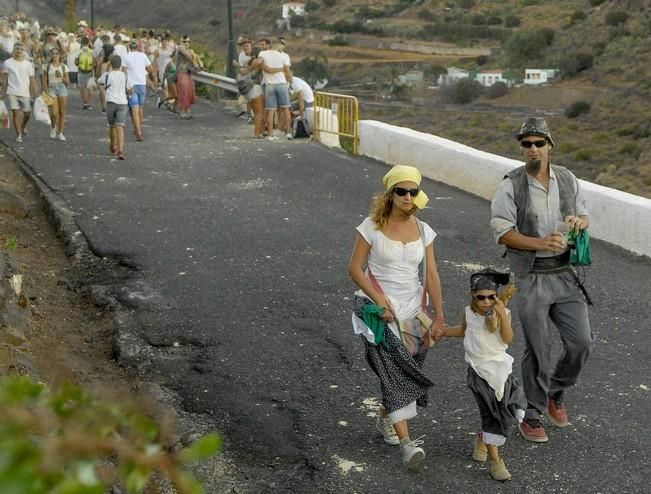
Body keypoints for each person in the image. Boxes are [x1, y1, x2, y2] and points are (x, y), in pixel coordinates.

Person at [490, 117, 594, 443]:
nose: (533, 149)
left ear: (550, 145)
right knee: (538, 348)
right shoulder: (511, 185)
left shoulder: (567, 178)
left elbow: (584, 215)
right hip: (532, 276)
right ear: (521, 148)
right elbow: (503, 233)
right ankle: (532, 413)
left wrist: (579, 221)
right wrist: (539, 243)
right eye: (527, 144)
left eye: (539, 143)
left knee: (581, 343)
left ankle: (556, 391)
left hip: (565, 274)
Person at [348, 165, 445, 471]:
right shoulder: (371, 227)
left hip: (413, 309)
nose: (407, 197)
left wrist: (439, 316)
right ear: (390, 194)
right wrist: (380, 301)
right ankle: (408, 445)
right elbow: (354, 269)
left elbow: (431, 274)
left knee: (410, 366)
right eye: (401, 191)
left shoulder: (424, 230)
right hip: (378, 309)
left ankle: (387, 415)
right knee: (395, 370)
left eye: (412, 192)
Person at [442, 269, 526, 482]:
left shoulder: (503, 313)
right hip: (478, 372)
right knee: (491, 414)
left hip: (500, 370)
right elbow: (463, 330)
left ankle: (483, 438)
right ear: (472, 295)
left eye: (491, 296)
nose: (486, 301)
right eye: (481, 297)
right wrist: (441, 331)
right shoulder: (468, 313)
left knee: (504, 412)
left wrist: (502, 314)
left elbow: (507, 339)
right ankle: (496, 462)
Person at [0, 43, 36, 143]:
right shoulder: (7, 63)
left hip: (24, 92)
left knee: (27, 114)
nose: (19, 51)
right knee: (15, 113)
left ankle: (23, 126)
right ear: (13, 50)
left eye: (21, 49)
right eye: (17, 49)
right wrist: (2, 93)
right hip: (12, 91)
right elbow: (5, 79)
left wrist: (33, 94)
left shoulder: (28, 64)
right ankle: (18, 135)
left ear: (23, 51)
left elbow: (32, 79)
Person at [258, 39, 291, 140]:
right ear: (279, 46)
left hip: (270, 85)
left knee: (271, 111)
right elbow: (287, 72)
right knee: (286, 109)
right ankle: (288, 133)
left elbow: (259, 62)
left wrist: (266, 68)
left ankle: (270, 135)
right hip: (281, 84)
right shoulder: (283, 56)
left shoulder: (263, 53)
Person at [97, 54, 128, 160]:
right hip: (122, 103)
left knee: (112, 126)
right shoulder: (125, 75)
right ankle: (121, 150)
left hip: (110, 102)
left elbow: (99, 82)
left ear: (111, 64)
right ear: (120, 65)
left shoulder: (107, 75)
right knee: (120, 126)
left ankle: (112, 146)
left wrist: (106, 70)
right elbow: (130, 88)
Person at [123, 39, 154, 141]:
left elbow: (123, 70)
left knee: (133, 108)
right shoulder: (143, 56)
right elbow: (150, 69)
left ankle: (138, 130)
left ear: (129, 47)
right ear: (138, 47)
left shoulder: (126, 56)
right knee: (140, 107)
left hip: (130, 85)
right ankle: (139, 128)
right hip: (141, 84)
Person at [43, 47, 69, 141]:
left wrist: (61, 76)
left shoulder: (63, 67)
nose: (54, 56)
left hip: (62, 88)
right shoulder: (47, 66)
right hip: (51, 88)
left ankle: (61, 132)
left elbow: (67, 82)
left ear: (59, 55)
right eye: (53, 54)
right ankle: (53, 127)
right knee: (54, 112)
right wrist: (46, 92)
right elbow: (45, 80)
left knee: (62, 112)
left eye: (56, 54)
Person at [175, 35, 202, 120]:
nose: (186, 43)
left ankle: (188, 111)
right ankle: (183, 111)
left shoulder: (190, 50)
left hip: (188, 73)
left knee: (190, 92)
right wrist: (195, 61)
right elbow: (188, 56)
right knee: (184, 92)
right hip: (182, 73)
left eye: (188, 42)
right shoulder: (180, 48)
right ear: (181, 42)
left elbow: (194, 57)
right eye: (184, 41)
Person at [76, 36, 94, 109]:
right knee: (89, 88)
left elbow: (76, 61)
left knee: (81, 87)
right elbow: (94, 61)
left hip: (81, 70)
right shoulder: (91, 51)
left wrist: (78, 64)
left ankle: (85, 102)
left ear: (82, 43)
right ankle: (89, 103)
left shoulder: (79, 51)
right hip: (90, 70)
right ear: (88, 43)